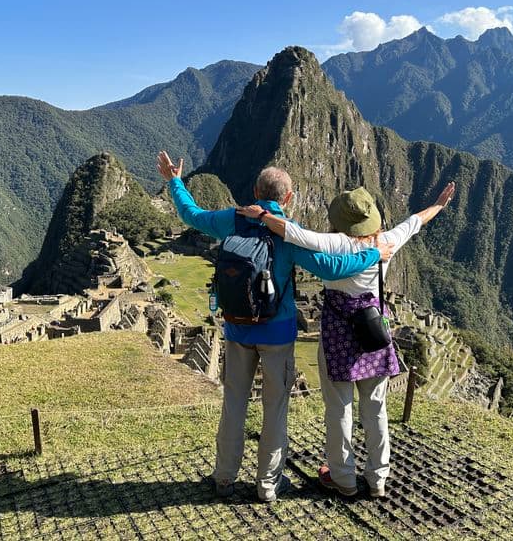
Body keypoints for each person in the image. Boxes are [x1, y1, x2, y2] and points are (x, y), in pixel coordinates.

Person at [156, 151, 393, 502]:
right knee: (275, 408)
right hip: (278, 335)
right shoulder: (288, 234)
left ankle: (224, 478)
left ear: (254, 191)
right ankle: (268, 485)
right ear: (288, 198)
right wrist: (374, 254)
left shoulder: (231, 219)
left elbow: (191, 215)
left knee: (234, 403)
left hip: (237, 330)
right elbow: (332, 268)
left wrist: (175, 181)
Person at [237, 182, 455, 498]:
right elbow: (415, 222)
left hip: (339, 334)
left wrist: (261, 214)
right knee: (376, 407)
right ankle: (378, 479)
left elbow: (293, 233)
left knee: (339, 409)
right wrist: (438, 204)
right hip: (372, 333)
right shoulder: (387, 241)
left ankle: (344, 478)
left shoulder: (338, 243)